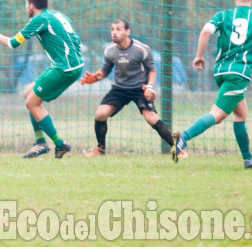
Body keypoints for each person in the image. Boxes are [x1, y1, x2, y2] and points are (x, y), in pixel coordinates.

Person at [172, 0, 252, 168]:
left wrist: (199, 57)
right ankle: (184, 137)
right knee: (216, 116)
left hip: (220, 72)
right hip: (239, 74)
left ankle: (247, 158)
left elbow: (205, 32)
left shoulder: (223, 15)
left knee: (241, 113)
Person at [0, 0, 81, 159]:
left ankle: (59, 144)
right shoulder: (57, 15)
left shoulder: (39, 19)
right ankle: (40, 142)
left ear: (31, 5)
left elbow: (13, 43)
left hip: (64, 68)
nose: (26, 8)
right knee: (28, 94)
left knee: (32, 104)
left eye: (26, 4)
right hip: (70, 65)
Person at [80, 19, 187, 158]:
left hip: (139, 88)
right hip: (119, 88)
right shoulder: (109, 51)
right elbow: (105, 70)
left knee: (151, 118)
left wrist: (149, 87)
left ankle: (177, 148)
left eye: (118, 29)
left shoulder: (141, 49)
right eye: (112, 29)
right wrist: (96, 77)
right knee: (100, 114)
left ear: (127, 31)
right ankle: (100, 149)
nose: (114, 32)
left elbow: (152, 70)